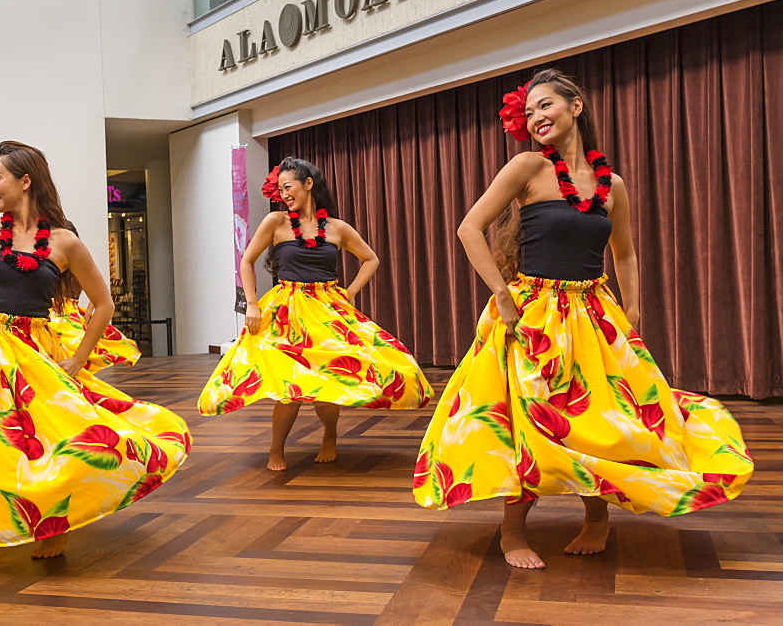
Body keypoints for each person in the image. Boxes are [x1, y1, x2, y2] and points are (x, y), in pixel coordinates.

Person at [413, 69, 753, 569]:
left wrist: (632, 310)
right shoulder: (527, 167)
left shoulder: (611, 184)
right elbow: (469, 228)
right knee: (528, 416)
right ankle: (512, 531)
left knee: (596, 417)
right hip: (533, 314)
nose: (535, 118)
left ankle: (597, 517)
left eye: (544, 106)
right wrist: (503, 298)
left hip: (594, 314)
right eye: (527, 112)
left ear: (575, 106)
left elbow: (627, 253)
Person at [0, 141, 191, 569]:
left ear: (25, 181)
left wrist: (78, 359)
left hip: (33, 351)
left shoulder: (65, 242)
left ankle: (55, 522)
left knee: (55, 442)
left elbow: (103, 304)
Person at [198, 156, 433, 471]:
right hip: (286, 310)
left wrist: (349, 293)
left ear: (308, 184)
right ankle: (276, 450)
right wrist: (251, 303)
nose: (284, 194)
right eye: (280, 189)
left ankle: (330, 436)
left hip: (326, 309)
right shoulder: (276, 223)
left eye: (288, 186)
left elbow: (371, 259)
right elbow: (246, 261)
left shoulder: (337, 228)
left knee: (328, 384)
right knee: (289, 389)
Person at [47, 221, 141, 373]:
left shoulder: (72, 262)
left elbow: (100, 296)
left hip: (65, 314)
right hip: (59, 314)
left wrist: (89, 311)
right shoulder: (57, 262)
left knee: (70, 347)